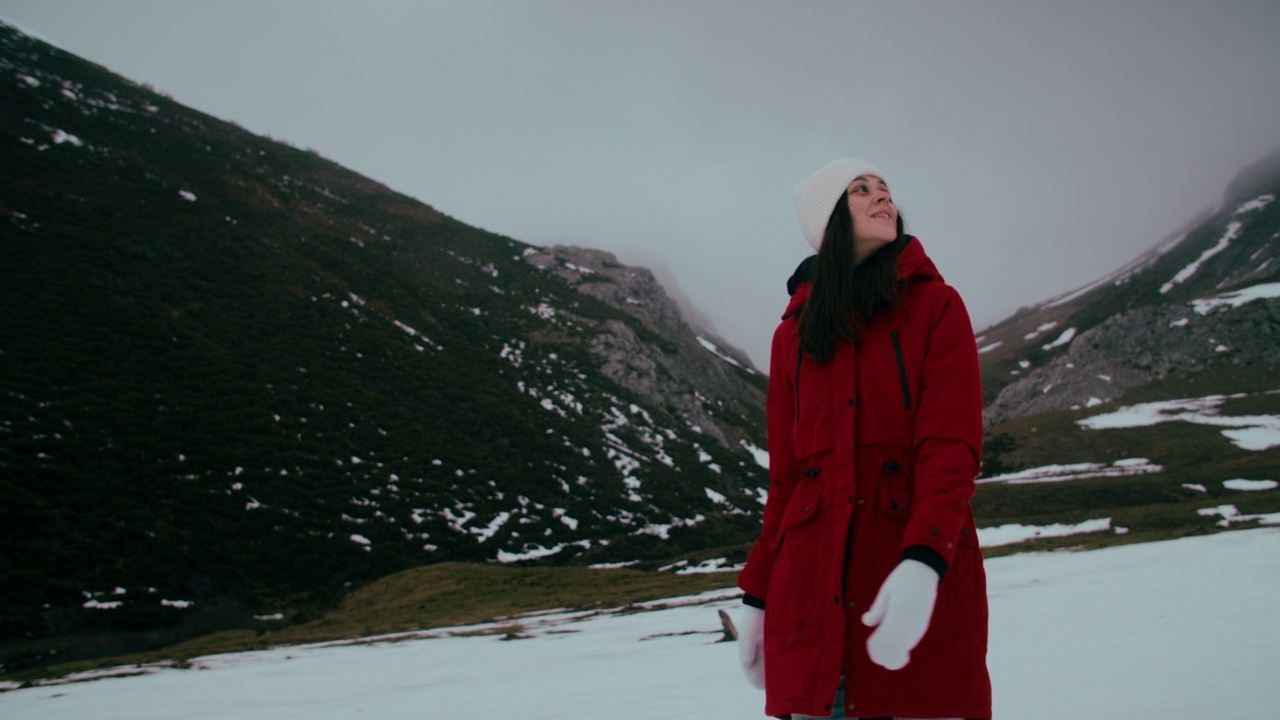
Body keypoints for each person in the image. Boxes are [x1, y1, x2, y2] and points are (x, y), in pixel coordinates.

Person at [736, 159, 991, 720]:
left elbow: (951, 448)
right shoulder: (792, 337)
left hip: (908, 573)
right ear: (827, 222)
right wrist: (758, 595)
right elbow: (786, 480)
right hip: (807, 600)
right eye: (861, 190)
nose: (883, 197)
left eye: (886, 189)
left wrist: (925, 559)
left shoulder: (936, 307)